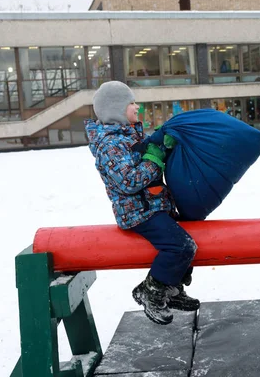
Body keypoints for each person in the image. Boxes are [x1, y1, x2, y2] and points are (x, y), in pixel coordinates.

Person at [84, 80, 199, 326]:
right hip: (138, 212)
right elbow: (128, 181)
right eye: (131, 103)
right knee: (181, 246)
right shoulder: (109, 144)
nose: (137, 107)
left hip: (153, 206)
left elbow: (147, 154)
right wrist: (154, 160)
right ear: (116, 109)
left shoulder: (130, 135)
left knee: (188, 240)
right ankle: (151, 291)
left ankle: (171, 290)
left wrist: (164, 147)